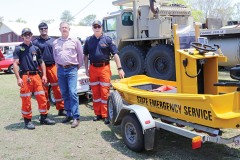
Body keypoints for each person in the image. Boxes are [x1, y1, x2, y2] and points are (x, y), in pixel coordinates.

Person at [13, 27, 55, 130]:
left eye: (29, 34)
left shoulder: (36, 48)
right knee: (26, 98)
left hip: (37, 76)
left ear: (31, 35)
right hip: (25, 76)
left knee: (42, 97)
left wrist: (44, 75)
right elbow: (15, 63)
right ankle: (27, 121)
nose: (27, 36)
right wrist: (18, 78)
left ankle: (43, 117)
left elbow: (41, 62)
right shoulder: (19, 48)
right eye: (25, 34)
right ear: (22, 36)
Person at [83, 20, 125, 125]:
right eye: (95, 26)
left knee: (105, 92)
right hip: (92, 69)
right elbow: (85, 55)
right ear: (92, 28)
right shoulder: (88, 40)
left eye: (99, 26)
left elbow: (115, 54)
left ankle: (106, 115)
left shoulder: (107, 39)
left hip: (104, 68)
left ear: (102, 28)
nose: (97, 28)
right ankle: (98, 114)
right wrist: (86, 69)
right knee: (95, 92)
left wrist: (119, 68)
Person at [52, 22, 83, 128]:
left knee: (73, 92)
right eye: (62, 28)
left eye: (66, 27)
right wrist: (59, 66)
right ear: (59, 29)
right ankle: (69, 114)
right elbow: (55, 56)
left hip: (72, 69)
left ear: (69, 29)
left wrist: (76, 67)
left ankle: (76, 117)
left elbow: (80, 55)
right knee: (64, 92)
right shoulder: (55, 42)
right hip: (60, 69)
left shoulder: (75, 41)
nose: (64, 29)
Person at [32, 22, 65, 116]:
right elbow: (33, 57)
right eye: (41, 29)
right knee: (43, 90)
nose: (43, 30)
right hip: (41, 68)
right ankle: (44, 111)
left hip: (53, 66)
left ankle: (61, 109)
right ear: (39, 30)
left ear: (47, 29)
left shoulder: (54, 41)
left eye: (45, 28)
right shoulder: (35, 42)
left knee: (57, 88)